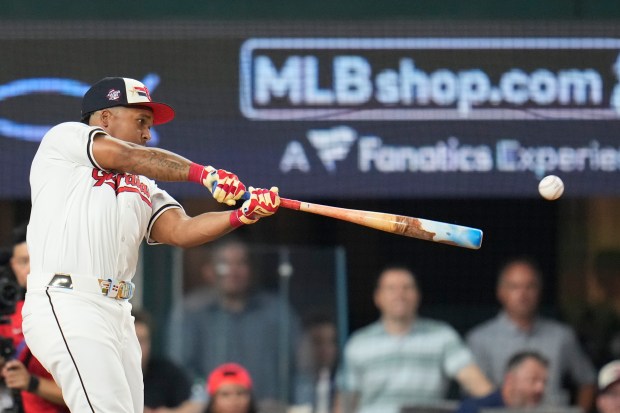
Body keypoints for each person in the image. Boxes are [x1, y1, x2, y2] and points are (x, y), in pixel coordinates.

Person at [23, 76, 281, 413]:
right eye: (141, 121)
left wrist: (242, 215)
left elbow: (182, 230)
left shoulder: (143, 184)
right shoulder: (65, 140)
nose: (147, 134)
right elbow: (123, 153)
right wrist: (205, 175)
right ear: (105, 118)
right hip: (67, 300)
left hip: (117, 312)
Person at [334, 265, 493, 413]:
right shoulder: (359, 343)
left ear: (418, 295)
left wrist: (505, 405)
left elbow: (477, 383)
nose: (399, 295)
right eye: (391, 288)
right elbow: (345, 403)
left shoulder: (442, 336)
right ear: (377, 297)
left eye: (407, 287)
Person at [169, 237, 302, 408]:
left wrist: (298, 405)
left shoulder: (277, 311)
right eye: (224, 264)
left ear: (252, 270)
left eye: (241, 263)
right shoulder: (190, 312)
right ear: (209, 271)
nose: (233, 271)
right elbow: (180, 370)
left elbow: (300, 366)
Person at [466, 257, 596, 410]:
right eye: (514, 287)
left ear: (539, 291)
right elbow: (473, 394)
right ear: (500, 292)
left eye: (530, 286)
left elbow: (587, 380)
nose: (523, 294)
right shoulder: (480, 339)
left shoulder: (562, 336)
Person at [0, 224, 68, 413]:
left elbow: (87, 392)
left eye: (37, 260)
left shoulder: (68, 312)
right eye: (23, 261)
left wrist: (32, 383)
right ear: (13, 265)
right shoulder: (8, 311)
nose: (30, 269)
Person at [133, 309, 205, 413]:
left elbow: (197, 403)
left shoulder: (166, 371)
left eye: (144, 340)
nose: (139, 347)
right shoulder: (111, 374)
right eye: (136, 340)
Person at [455, 351, 549, 413]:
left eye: (544, 382)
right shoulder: (476, 409)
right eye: (533, 380)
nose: (540, 388)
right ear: (510, 380)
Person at [294, 313, 339, 413]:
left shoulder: (343, 383)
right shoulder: (291, 387)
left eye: (331, 341)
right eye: (317, 342)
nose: (325, 349)